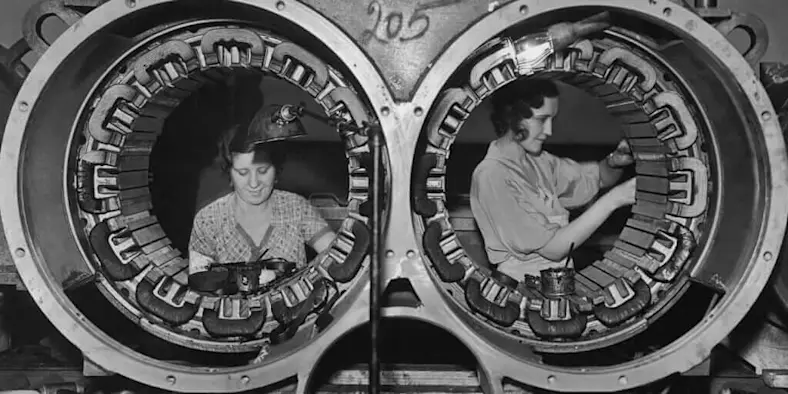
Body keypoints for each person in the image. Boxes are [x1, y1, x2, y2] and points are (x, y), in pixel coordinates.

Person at [470, 78, 636, 281]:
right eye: (542, 120)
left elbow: (598, 178)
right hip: (522, 288)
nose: (549, 131)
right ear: (511, 117)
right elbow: (554, 249)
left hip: (557, 285)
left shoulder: (540, 162)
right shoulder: (492, 175)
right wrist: (614, 199)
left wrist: (614, 162)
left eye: (551, 120)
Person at [187, 104, 336, 289]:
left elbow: (336, 257)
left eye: (263, 171)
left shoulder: (296, 207)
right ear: (230, 175)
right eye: (242, 173)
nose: (254, 183)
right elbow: (199, 282)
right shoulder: (208, 219)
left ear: (277, 171)